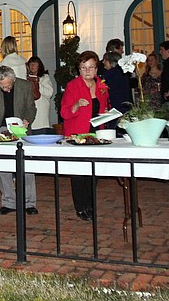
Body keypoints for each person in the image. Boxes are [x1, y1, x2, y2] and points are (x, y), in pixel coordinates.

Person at [0, 66, 39, 215]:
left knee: (26, 166)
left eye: (8, 85)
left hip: (21, 129)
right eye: (2, 87)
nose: (6, 89)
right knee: (3, 166)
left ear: (14, 80)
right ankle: (9, 202)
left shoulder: (25, 86)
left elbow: (31, 108)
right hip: (1, 129)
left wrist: (27, 120)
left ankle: (29, 203)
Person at [60, 51, 109, 221]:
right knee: (79, 173)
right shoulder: (73, 86)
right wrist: (76, 105)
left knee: (94, 172)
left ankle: (90, 203)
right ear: (79, 69)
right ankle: (81, 207)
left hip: (96, 134)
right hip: (78, 135)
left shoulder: (102, 86)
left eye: (91, 67)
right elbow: (64, 112)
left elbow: (103, 108)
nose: (87, 71)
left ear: (96, 68)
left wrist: (107, 113)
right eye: (83, 67)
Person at [26, 56, 55, 135]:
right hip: (29, 112)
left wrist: (36, 83)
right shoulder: (26, 79)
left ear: (39, 65)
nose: (32, 66)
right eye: (30, 64)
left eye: (34, 64)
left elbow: (49, 93)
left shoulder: (45, 77)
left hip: (41, 114)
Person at [101, 51, 131, 121]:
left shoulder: (109, 74)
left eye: (105, 60)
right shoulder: (123, 73)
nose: (103, 62)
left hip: (114, 108)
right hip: (124, 106)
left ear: (110, 62)